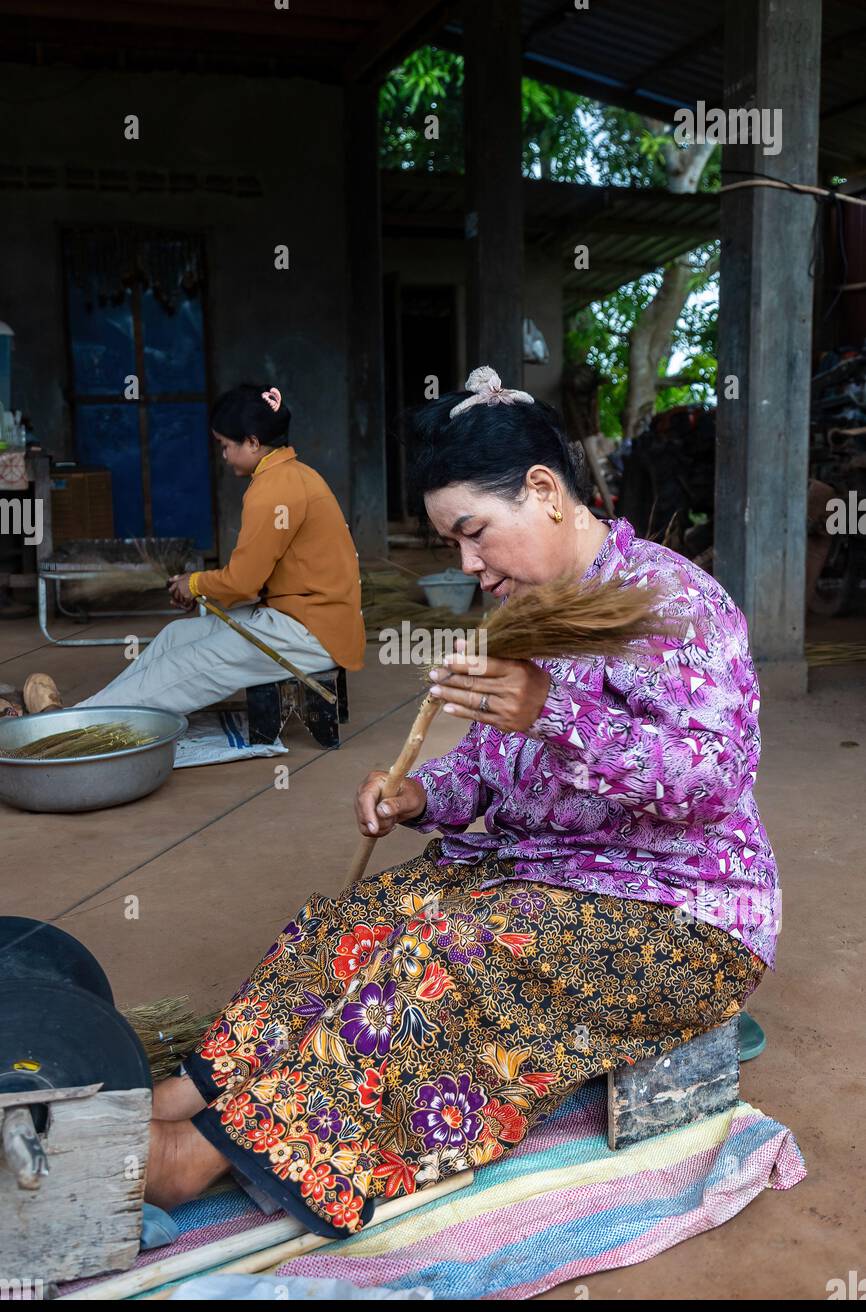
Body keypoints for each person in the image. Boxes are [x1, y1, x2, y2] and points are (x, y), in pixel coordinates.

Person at [144, 366, 779, 1237]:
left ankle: (198, 1160)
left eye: (475, 535)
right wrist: (417, 795)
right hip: (544, 876)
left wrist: (555, 712)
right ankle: (185, 1096)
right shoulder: (537, 605)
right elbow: (486, 767)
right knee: (360, 916)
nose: (471, 567)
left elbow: (714, 776)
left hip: (682, 915)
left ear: (546, 492)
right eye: (454, 546)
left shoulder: (670, 601)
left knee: (453, 956)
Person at [72, 383, 365, 715]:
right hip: (290, 617)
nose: (223, 456)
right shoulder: (294, 473)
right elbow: (250, 581)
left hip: (310, 633)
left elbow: (243, 584)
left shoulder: (273, 489)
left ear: (253, 443)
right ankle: (91, 712)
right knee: (173, 638)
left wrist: (194, 584)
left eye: (225, 446)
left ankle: (79, 723)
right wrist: (196, 586)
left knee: (182, 667)